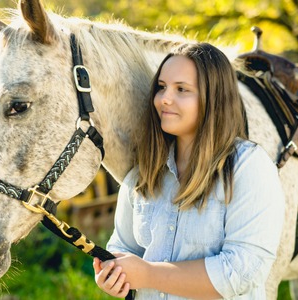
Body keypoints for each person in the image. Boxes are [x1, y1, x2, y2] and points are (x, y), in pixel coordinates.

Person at [93, 42, 285, 299]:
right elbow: (122, 247)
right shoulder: (142, 175)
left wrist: (148, 274)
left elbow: (240, 272)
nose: (165, 99)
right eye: (161, 87)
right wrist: (112, 275)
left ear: (213, 98)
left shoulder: (249, 167)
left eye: (182, 89)